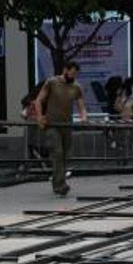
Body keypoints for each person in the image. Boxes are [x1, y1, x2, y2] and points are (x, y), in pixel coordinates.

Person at [34, 61, 89, 196]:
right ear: (65, 70)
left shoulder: (77, 87)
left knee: (64, 155)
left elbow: (81, 106)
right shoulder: (52, 82)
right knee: (57, 152)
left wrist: (84, 117)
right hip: (52, 124)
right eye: (72, 72)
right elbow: (38, 100)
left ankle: (57, 182)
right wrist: (40, 117)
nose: (74, 76)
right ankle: (61, 184)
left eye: (76, 74)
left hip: (66, 125)